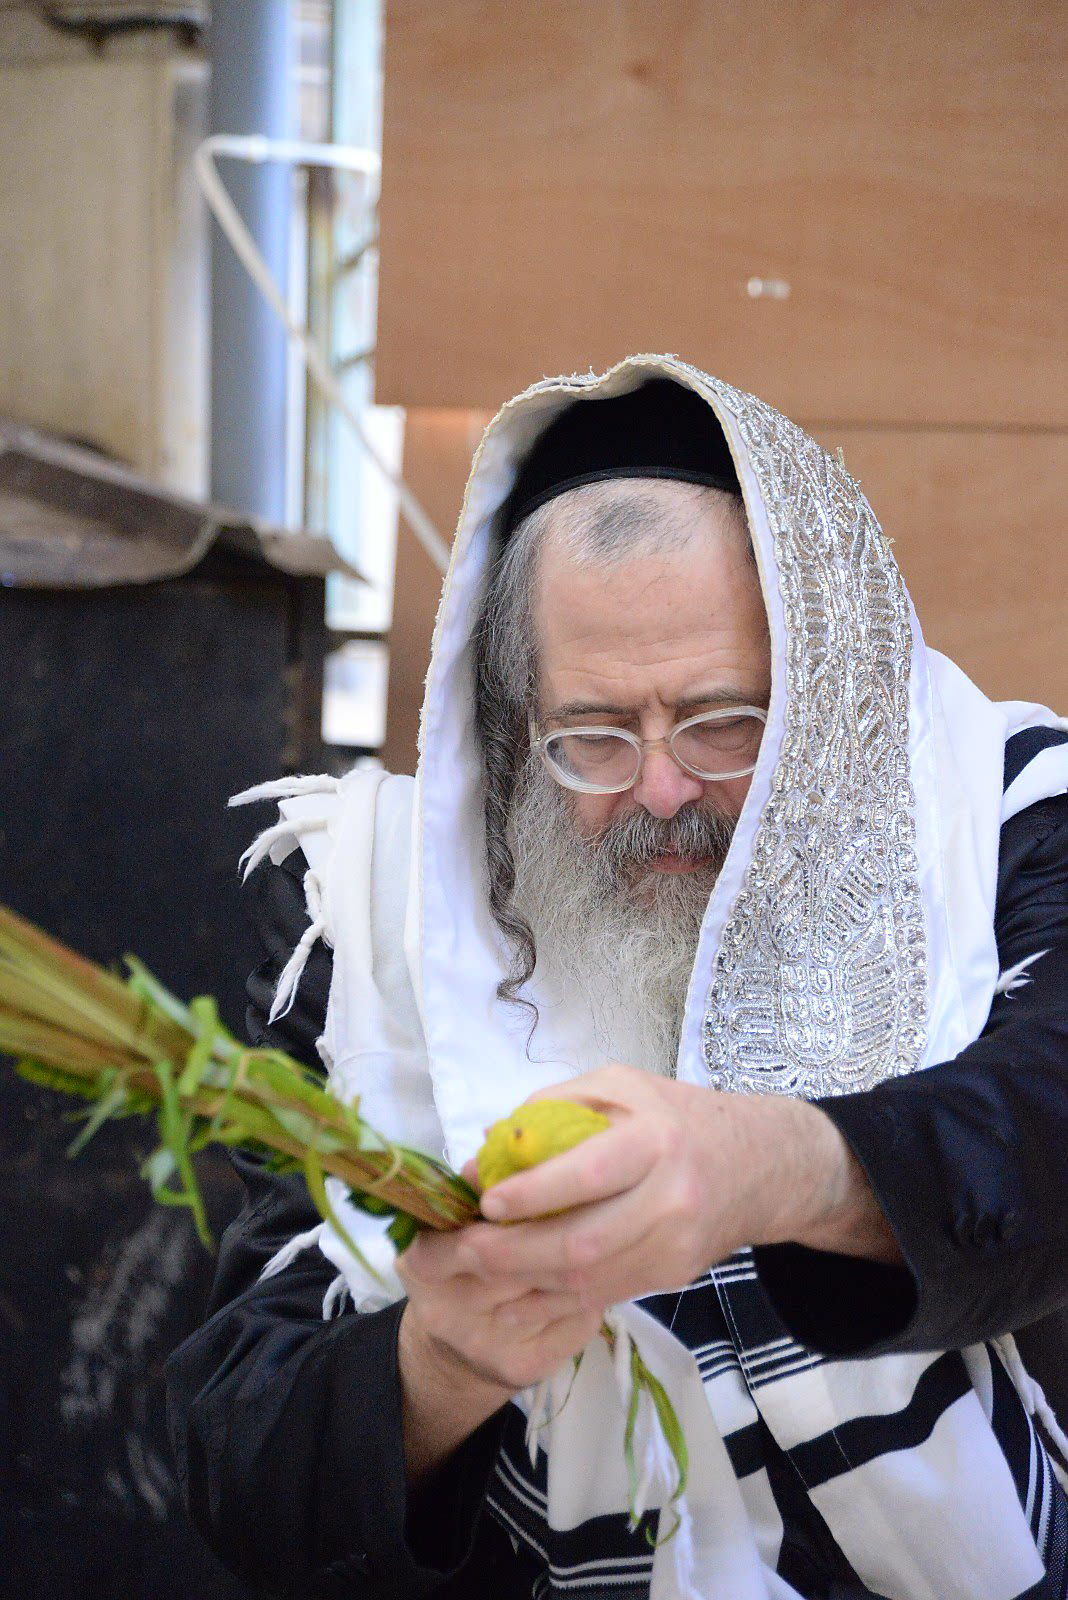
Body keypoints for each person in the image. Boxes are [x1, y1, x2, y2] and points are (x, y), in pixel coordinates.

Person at [167, 361, 1068, 1599]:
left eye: (725, 720)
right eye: (590, 734)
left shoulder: (1006, 811)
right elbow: (233, 1459)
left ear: (834, 689)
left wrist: (779, 1165)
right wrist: (442, 1363)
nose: (660, 791)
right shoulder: (374, 924)